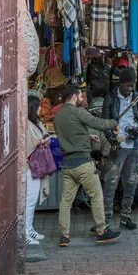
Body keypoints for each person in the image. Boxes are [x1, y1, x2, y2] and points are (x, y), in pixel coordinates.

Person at [54, 84, 121, 247]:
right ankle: (101, 231)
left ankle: (64, 235)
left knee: (66, 201)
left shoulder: (58, 116)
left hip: (67, 164)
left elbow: (70, 134)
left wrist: (87, 136)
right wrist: (114, 122)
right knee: (96, 195)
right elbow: (97, 123)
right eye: (81, 96)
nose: (83, 99)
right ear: (74, 97)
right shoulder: (78, 112)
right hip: (83, 163)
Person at [101, 67, 138, 230]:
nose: (130, 89)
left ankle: (125, 217)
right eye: (127, 85)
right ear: (120, 84)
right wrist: (112, 137)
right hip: (117, 146)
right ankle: (105, 219)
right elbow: (105, 122)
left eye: (132, 85)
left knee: (131, 181)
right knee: (110, 183)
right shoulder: (111, 98)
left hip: (135, 145)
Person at [25, 96, 51, 245]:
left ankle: (29, 228)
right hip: (30, 167)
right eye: (38, 107)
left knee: (32, 200)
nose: (41, 109)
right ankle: (25, 232)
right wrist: (39, 141)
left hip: (37, 166)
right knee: (29, 201)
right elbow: (27, 145)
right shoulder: (27, 125)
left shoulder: (36, 122)